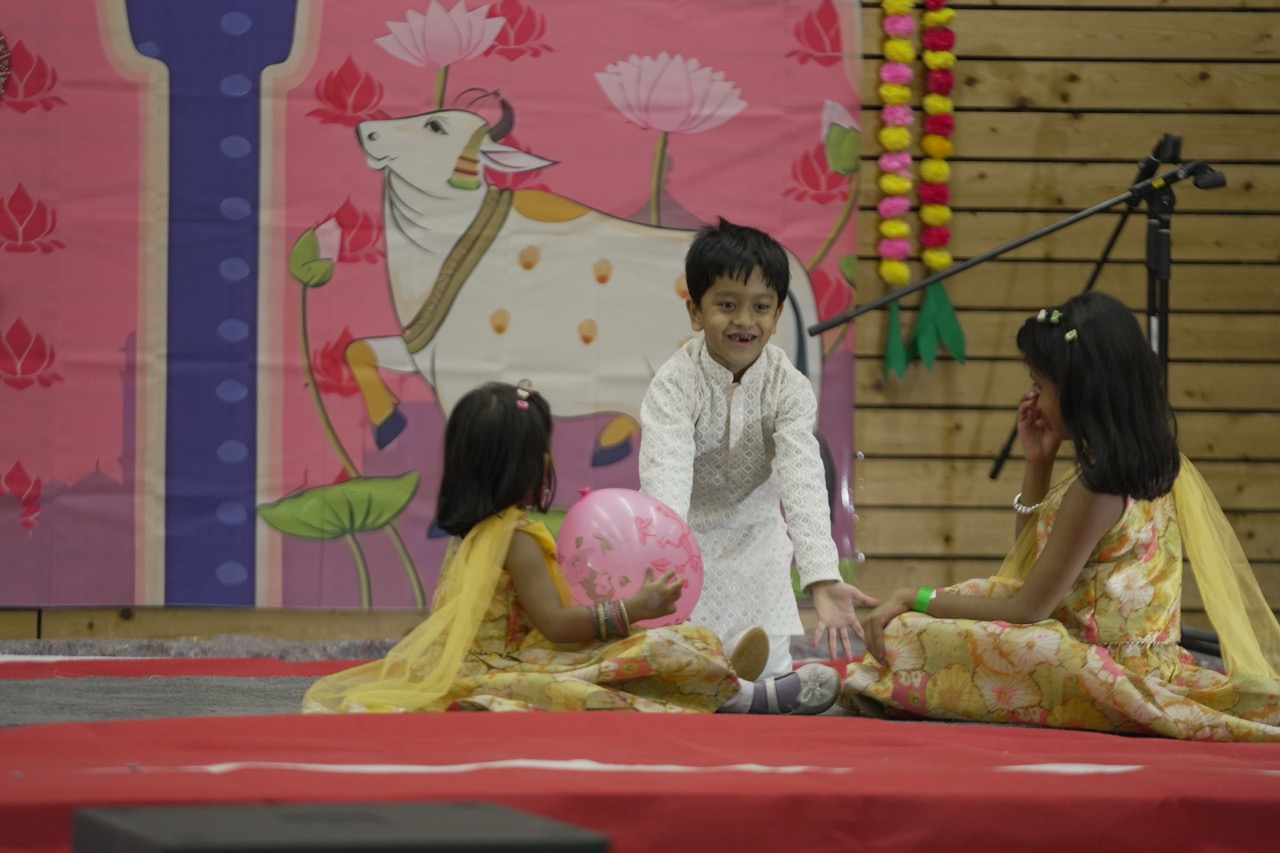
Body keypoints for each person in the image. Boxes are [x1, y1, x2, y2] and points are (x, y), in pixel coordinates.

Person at [842, 292, 1280, 741]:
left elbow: (1028, 609)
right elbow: (1029, 564)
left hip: (1096, 667)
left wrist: (912, 596)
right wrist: (1038, 464)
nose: (1033, 398)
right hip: (1112, 653)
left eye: (1040, 384)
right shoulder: (1147, 465)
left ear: (1079, 390)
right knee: (961, 603)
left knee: (909, 631)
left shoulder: (1098, 488)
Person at [302, 380, 839, 715]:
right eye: (542, 453)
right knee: (656, 647)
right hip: (516, 664)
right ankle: (742, 696)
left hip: (499, 657)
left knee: (667, 641)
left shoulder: (479, 531)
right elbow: (557, 626)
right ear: (518, 467)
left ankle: (716, 666)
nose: (548, 464)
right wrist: (635, 608)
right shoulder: (514, 537)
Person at [639, 218, 876, 680]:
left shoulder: (789, 386)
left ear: (778, 314)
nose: (745, 320)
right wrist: (669, 562)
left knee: (767, 672)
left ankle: (766, 685)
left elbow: (803, 481)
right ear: (695, 312)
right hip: (689, 550)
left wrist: (823, 577)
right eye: (727, 305)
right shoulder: (673, 385)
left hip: (759, 549)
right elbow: (665, 480)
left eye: (761, 306)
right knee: (686, 673)